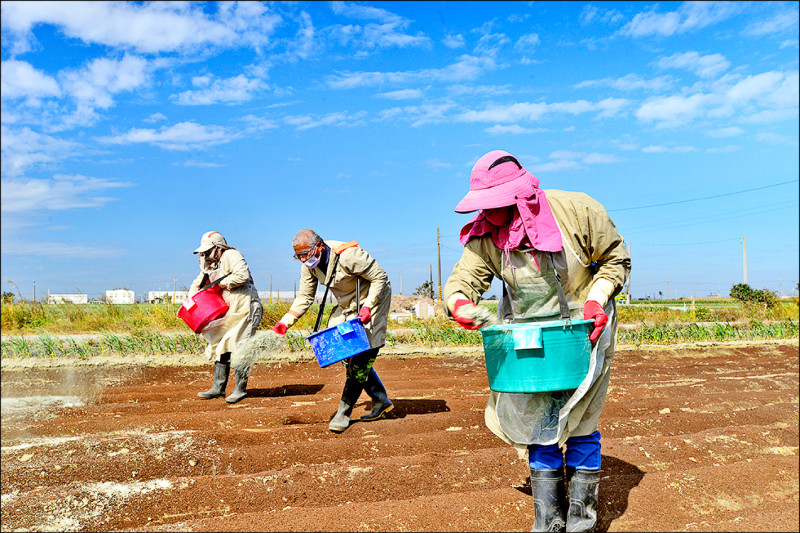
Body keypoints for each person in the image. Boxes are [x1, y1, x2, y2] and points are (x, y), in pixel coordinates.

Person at [443, 150, 630, 532]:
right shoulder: (486, 234)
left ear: (519, 195)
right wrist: (459, 302)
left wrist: (596, 299)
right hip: (528, 338)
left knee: (581, 422)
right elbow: (463, 280)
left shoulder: (577, 211)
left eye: (495, 203)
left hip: (585, 330)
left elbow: (615, 259)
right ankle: (548, 523)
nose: (488, 212)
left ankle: (581, 522)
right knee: (537, 426)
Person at [272, 229, 393, 433]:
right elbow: (305, 297)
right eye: (298, 256)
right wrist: (287, 321)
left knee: (362, 357)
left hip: (373, 300)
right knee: (345, 352)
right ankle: (380, 399)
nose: (303, 259)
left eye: (306, 254)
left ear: (319, 246)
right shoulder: (309, 266)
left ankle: (343, 412)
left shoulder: (348, 255)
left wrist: (368, 307)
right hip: (348, 304)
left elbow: (380, 277)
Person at [189, 231, 263, 404]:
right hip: (230, 308)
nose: (205, 255)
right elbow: (197, 285)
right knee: (222, 345)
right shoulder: (212, 265)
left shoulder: (232, 255)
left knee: (241, 347)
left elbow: (242, 275)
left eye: (208, 251)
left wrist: (221, 283)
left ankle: (240, 390)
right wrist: (191, 300)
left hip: (246, 305)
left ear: (218, 248)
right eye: (203, 252)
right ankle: (218, 389)